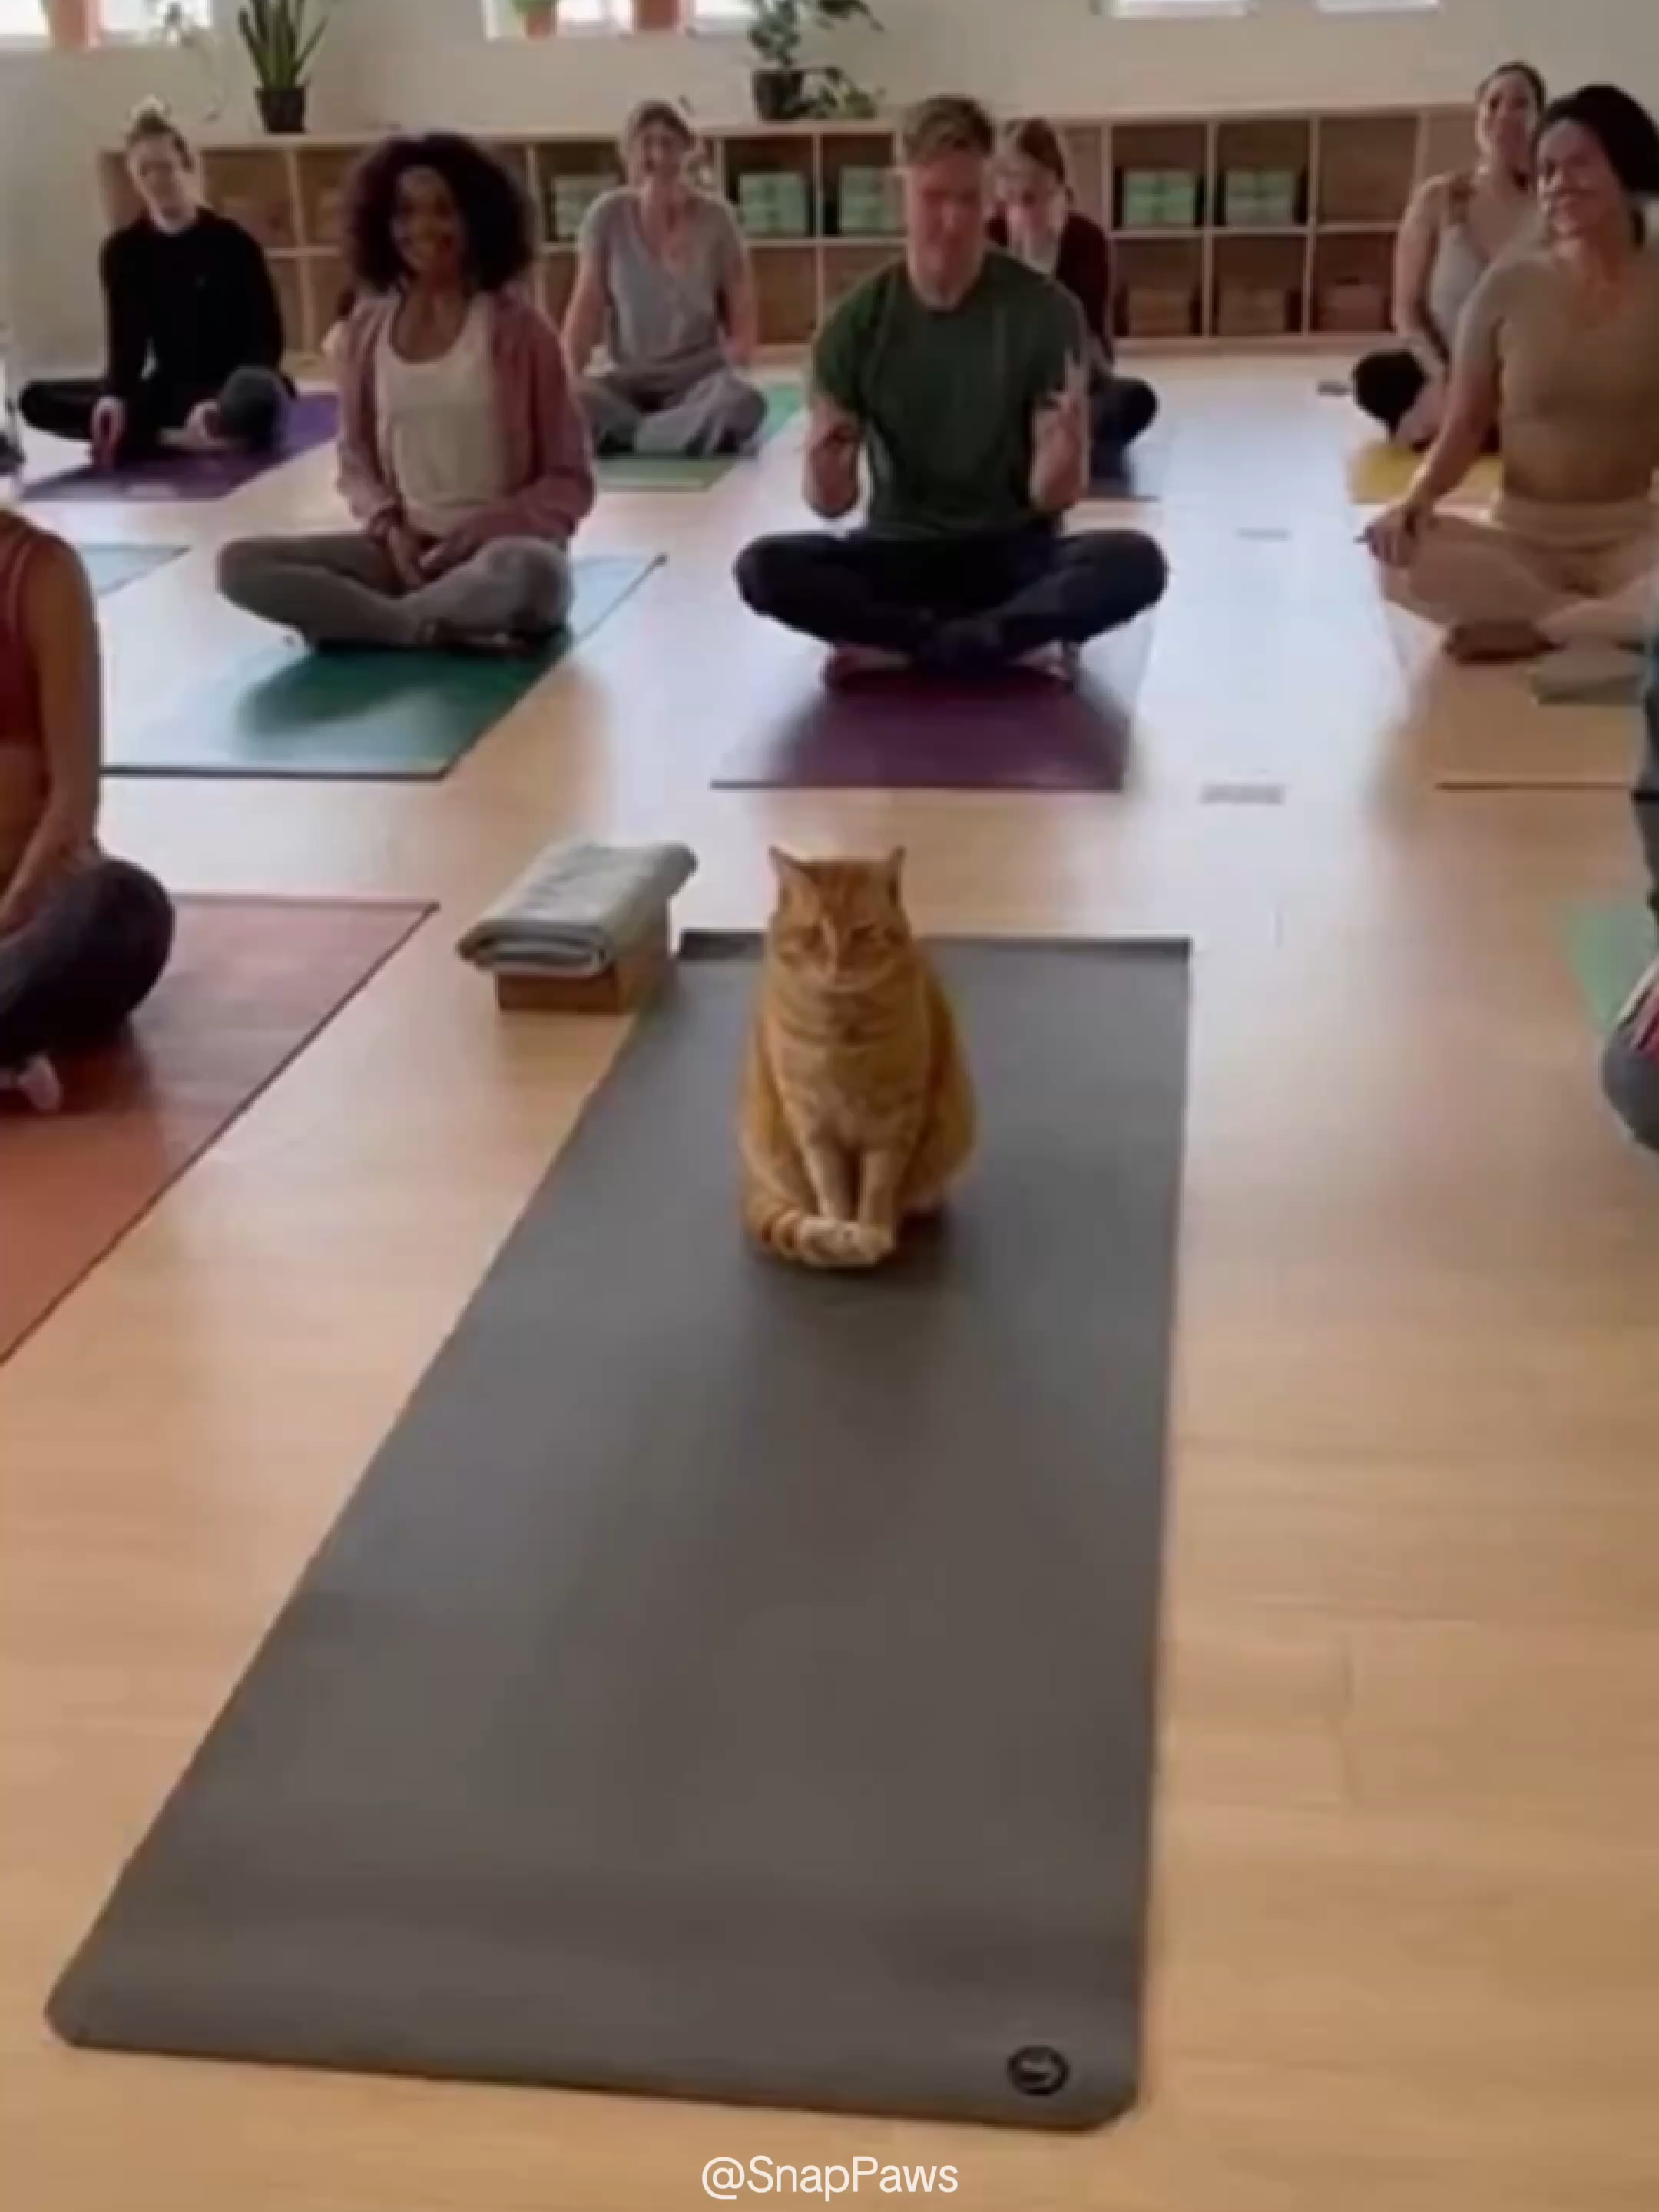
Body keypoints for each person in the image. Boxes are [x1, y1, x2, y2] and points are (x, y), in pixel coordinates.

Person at [735, 95, 1167, 686]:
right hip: (898, 551)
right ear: (902, 195)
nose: (953, 221)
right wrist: (822, 462)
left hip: (1013, 552)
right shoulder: (854, 324)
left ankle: (907, 643)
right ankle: (1002, 642)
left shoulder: (1047, 314)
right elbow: (831, 503)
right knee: (763, 568)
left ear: (990, 196)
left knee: (1134, 564)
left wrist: (1068, 454)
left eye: (968, 199)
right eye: (934, 199)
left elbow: (1049, 497)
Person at [217, 133, 593, 653]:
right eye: (405, 213)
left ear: (475, 220)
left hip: (500, 555)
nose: (422, 228)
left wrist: (481, 532)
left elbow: (570, 482)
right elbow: (355, 460)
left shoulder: (520, 331)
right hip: (402, 557)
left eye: (443, 211)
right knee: (239, 566)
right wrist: (390, 529)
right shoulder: (367, 330)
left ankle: (379, 623)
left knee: (531, 574)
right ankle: (415, 625)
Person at [1365, 84, 1659, 691]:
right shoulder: (1508, 289)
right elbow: (1465, 426)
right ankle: (1620, 625)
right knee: (1400, 563)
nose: (1558, 184)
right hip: (1524, 538)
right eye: (1547, 169)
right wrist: (1415, 504)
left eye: (1580, 164)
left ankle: (1547, 628)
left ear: (1627, 167)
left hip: (1635, 535)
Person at [0, 508, 174, 1113]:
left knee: (123, 905)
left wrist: (11, 913)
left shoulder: (40, 575)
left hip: (25, 917)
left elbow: (74, 802)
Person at [19, 101, 289, 468]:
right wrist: (114, 396)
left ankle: (194, 429)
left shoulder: (232, 243)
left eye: (165, 168)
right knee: (35, 400)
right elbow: (126, 344)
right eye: (145, 171)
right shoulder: (123, 252)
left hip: (233, 383)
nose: (157, 180)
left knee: (260, 393)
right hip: (171, 388)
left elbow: (267, 340)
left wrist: (216, 404)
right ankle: (170, 435)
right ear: (134, 178)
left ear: (186, 168)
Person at [1352, 63, 1545, 448]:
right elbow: (1405, 311)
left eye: (1521, 104)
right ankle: (1476, 419)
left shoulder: (1551, 203)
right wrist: (1441, 376)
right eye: (1494, 103)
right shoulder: (1438, 198)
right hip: (1447, 366)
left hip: (1528, 369)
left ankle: (1469, 423)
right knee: (1374, 378)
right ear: (1479, 118)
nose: (1505, 115)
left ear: (1541, 119)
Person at [564, 101, 767, 459]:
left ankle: (636, 438)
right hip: (627, 382)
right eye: (646, 144)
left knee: (742, 404)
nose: (657, 156)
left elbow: (743, 316)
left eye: (669, 143)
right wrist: (565, 380)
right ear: (628, 156)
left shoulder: (717, 219)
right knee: (573, 402)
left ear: (688, 154)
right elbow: (586, 308)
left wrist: (736, 359)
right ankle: (669, 437)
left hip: (699, 382)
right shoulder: (606, 217)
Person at [989, 118, 1158, 478]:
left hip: (1072, 381)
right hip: (1003, 385)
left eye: (1032, 189)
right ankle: (1031, 443)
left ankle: (1050, 443)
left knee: (1134, 400)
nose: (1018, 197)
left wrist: (1042, 265)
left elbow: (1091, 345)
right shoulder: (989, 239)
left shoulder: (1086, 240)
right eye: (1008, 183)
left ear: (1055, 182)